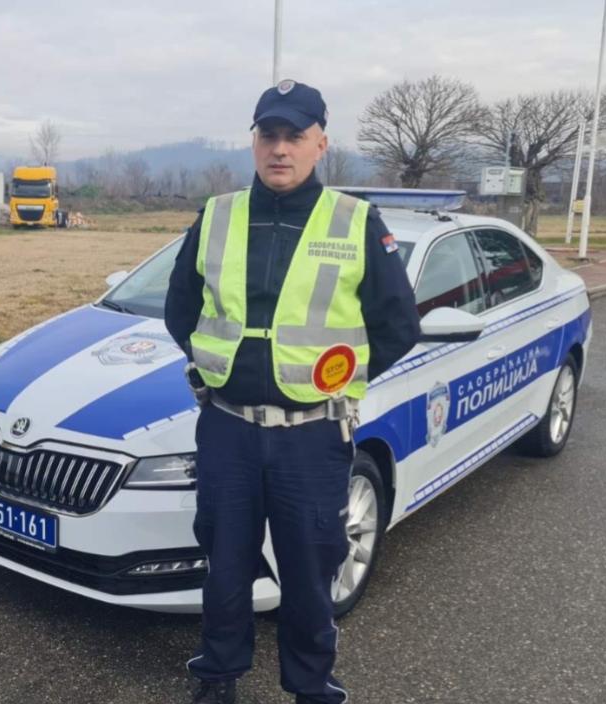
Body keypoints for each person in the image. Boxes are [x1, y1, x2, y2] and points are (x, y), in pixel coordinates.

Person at [164, 80, 420, 704]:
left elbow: (398, 327)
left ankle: (310, 685)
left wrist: (337, 377)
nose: (280, 149)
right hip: (227, 427)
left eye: (295, 136)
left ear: (320, 144)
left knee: (310, 570)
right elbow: (180, 311)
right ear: (253, 141)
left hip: (312, 433)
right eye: (269, 135)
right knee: (224, 564)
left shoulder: (356, 221)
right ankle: (218, 675)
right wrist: (211, 370)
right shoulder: (218, 214)